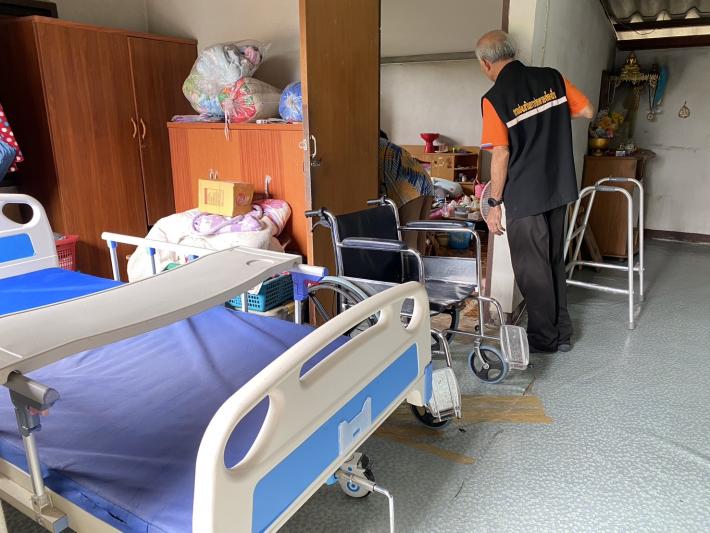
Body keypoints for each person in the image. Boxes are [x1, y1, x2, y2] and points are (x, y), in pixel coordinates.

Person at [476, 30, 594, 353]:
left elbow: (500, 154)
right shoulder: (552, 78)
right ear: (511, 51)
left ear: (486, 63)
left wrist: (494, 203)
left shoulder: (494, 99)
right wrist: (549, 113)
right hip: (558, 186)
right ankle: (562, 334)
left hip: (525, 195)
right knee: (553, 260)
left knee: (531, 267)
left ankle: (544, 339)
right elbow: (587, 110)